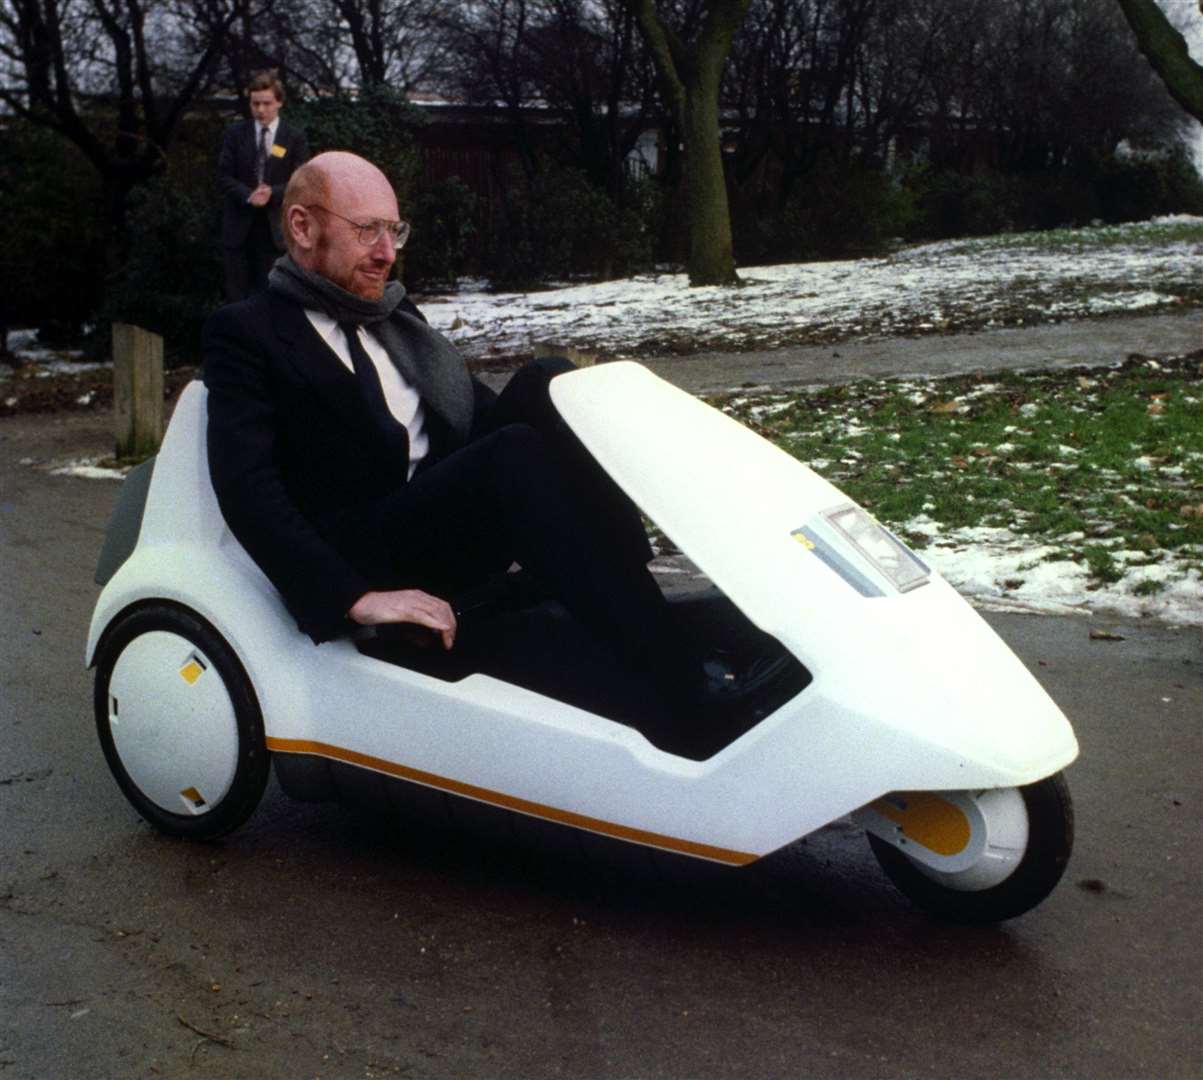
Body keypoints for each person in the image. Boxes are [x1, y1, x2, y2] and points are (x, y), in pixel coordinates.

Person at [203, 151, 795, 758]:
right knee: (511, 455)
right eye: (367, 231)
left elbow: (470, 414)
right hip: (365, 545)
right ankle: (680, 687)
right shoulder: (246, 334)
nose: (387, 252)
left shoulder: (390, 314)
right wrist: (352, 596)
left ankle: (640, 592)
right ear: (302, 227)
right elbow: (246, 489)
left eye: (394, 230)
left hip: (439, 512)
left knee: (552, 382)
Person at [216, 71, 309, 302]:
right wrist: (248, 196)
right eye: (255, 103)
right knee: (236, 299)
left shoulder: (294, 137)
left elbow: (302, 182)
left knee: (272, 298)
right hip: (239, 230)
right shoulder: (235, 134)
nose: (260, 110)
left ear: (279, 102)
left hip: (275, 232)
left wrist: (273, 193)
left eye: (266, 103)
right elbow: (222, 176)